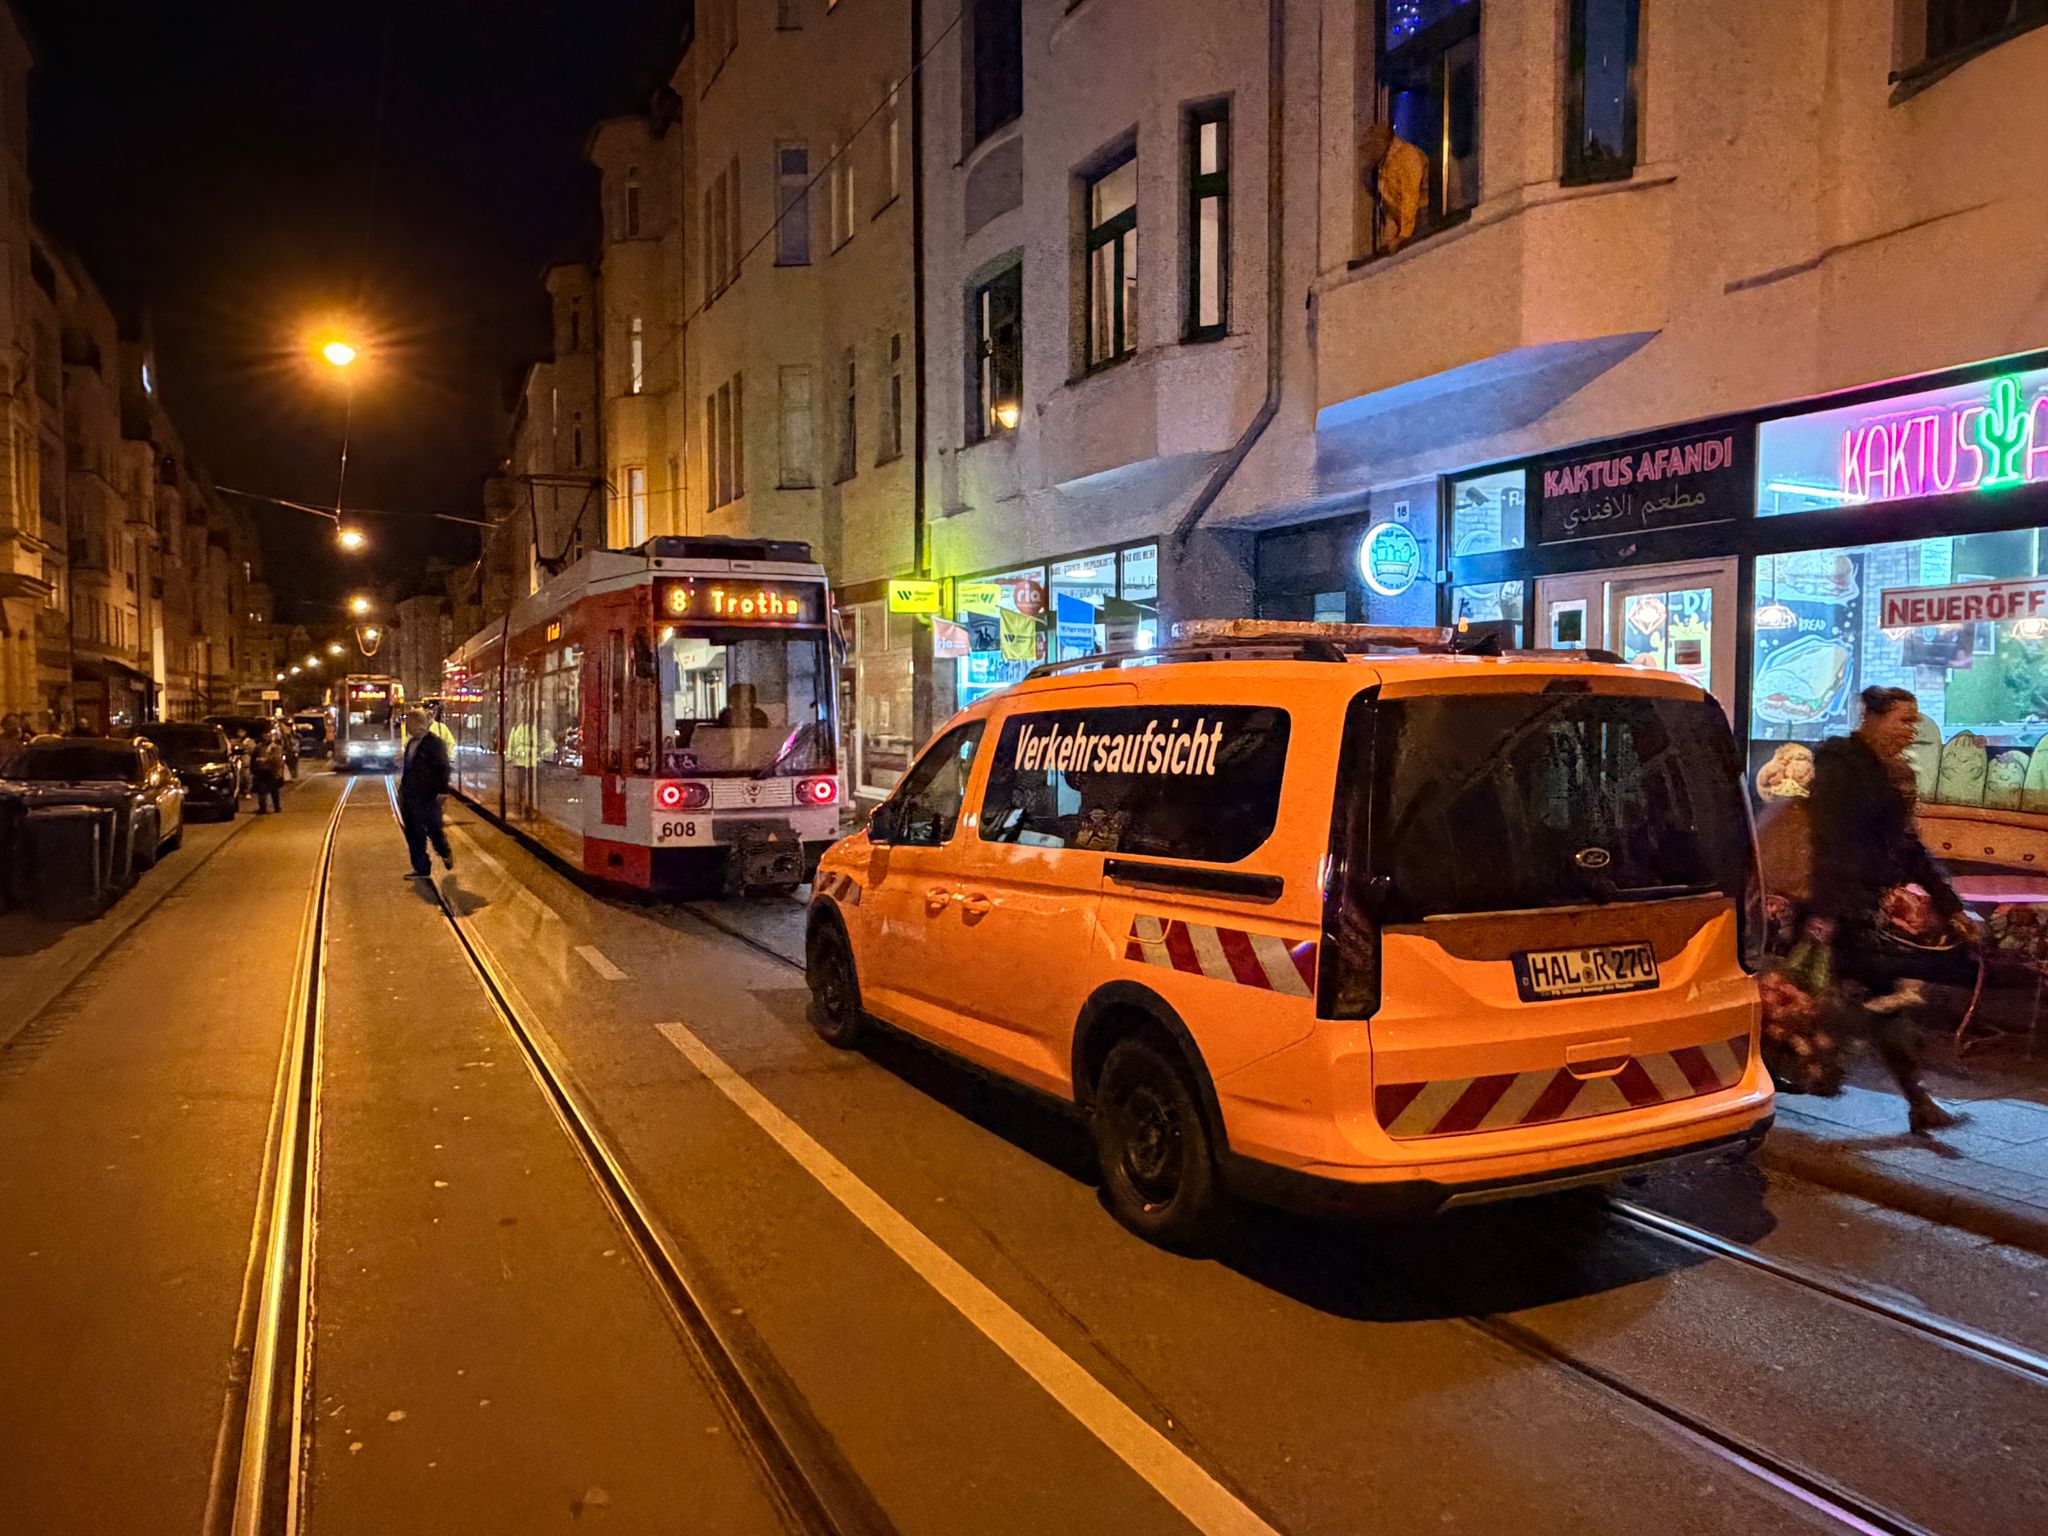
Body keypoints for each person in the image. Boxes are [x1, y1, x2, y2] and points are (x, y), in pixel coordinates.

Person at [1807, 686, 1971, 1133]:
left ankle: (1834, 1070)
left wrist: (1947, 903)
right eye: (1903, 721)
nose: (1910, 731)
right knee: (1867, 998)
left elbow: (1908, 844)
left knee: (1871, 997)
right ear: (1872, 718)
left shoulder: (1886, 773)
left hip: (1863, 906)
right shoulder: (1840, 764)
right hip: (1838, 906)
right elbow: (1829, 842)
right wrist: (1827, 913)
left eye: (1914, 724)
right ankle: (1901, 1094)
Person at [398, 705, 454, 880]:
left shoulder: (435, 743)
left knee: (434, 829)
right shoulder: (410, 744)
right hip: (410, 796)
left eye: (410, 722)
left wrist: (442, 790)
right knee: (413, 833)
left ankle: (444, 851)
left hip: (428, 796)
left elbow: (443, 767)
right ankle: (421, 867)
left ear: (419, 724)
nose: (407, 726)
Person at [1359, 120, 1427, 256]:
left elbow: (1410, 197)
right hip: (1408, 223)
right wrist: (1388, 240)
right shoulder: (1384, 165)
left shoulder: (1406, 155)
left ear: (1380, 143)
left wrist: (1403, 236)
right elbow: (1390, 207)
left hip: (1421, 220)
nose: (1367, 153)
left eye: (1369, 147)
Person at [250, 729, 287, 814]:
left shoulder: (274, 748)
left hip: (271, 771)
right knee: (263, 790)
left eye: (267, 736)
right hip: (263, 772)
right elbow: (253, 760)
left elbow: (278, 760)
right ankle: (264, 808)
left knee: (272, 791)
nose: (266, 738)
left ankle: (275, 807)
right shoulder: (258, 748)